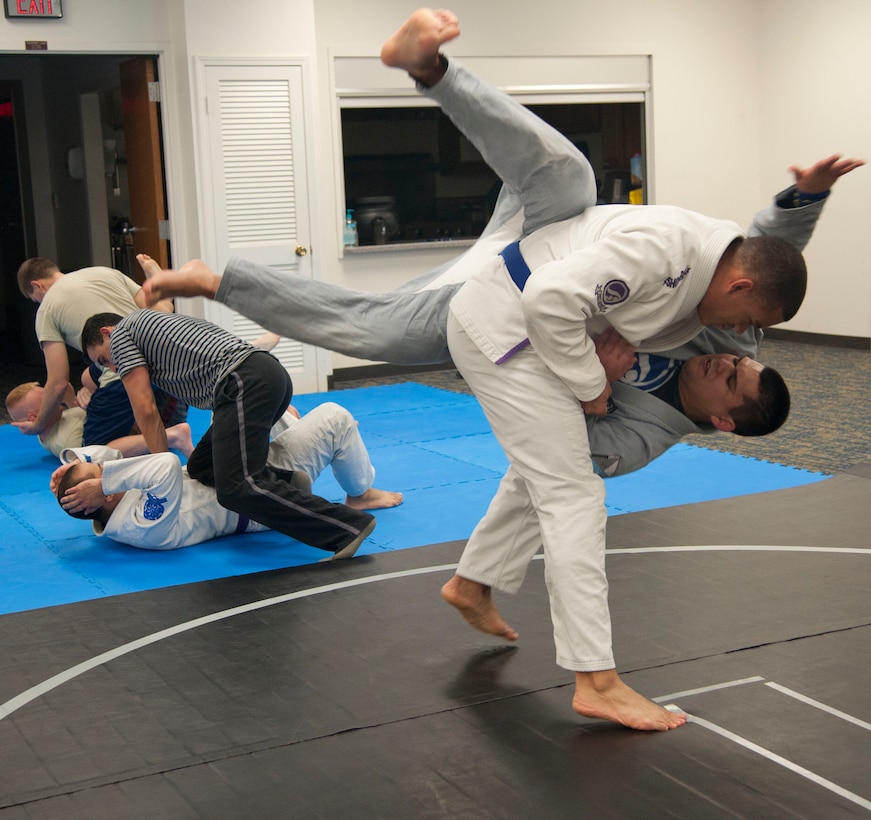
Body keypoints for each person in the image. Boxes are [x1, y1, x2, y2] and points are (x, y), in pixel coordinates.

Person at [141, 9, 861, 729]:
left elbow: (748, 283)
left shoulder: (647, 432)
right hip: (527, 287)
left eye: (737, 359)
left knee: (396, 352)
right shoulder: (687, 282)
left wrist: (598, 388)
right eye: (740, 339)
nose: (735, 350)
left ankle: (220, 283)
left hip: (508, 308)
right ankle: (595, 678)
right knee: (564, 175)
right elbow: (760, 258)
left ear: (721, 418)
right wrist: (803, 199)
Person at [80, 309, 376, 559]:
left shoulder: (121, 336)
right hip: (261, 374)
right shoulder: (149, 322)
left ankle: (346, 528)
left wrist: (155, 466)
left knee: (236, 488)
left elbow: (145, 410)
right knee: (201, 466)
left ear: (107, 332)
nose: (113, 367)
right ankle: (287, 482)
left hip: (243, 382)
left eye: (104, 359)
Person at [52, 401, 402, 550]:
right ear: (106, 495)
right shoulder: (140, 523)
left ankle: (296, 425)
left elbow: (108, 456)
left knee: (256, 404)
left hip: (232, 472)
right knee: (336, 416)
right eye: (99, 474)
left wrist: (68, 463)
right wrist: (103, 480)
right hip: (262, 493)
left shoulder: (116, 502)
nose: (106, 467)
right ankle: (361, 492)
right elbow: (165, 464)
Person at [15, 255, 186, 448]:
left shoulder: (46, 310)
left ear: (37, 285)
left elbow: (59, 382)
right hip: (166, 364)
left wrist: (38, 424)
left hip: (128, 368)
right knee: (88, 376)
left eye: (35, 299)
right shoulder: (105, 273)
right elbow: (161, 312)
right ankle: (160, 284)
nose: (39, 303)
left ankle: (172, 435)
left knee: (93, 450)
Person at [6, 380, 195, 458]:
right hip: (141, 429)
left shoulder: (56, 421)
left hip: (139, 419)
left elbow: (66, 389)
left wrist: (83, 397)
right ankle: (171, 436)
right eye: (46, 399)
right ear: (34, 416)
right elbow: (90, 457)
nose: (52, 397)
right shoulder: (64, 441)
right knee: (97, 452)